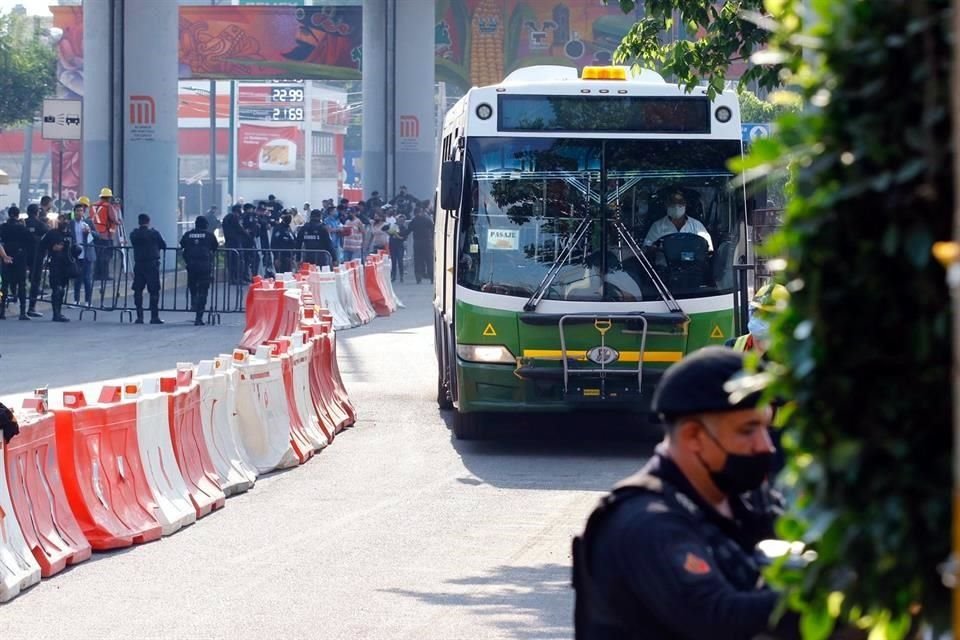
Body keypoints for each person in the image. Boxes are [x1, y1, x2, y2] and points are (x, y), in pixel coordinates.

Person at [573, 347, 803, 639]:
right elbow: (717, 616)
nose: (766, 446)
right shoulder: (646, 522)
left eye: (766, 429)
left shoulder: (742, 499)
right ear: (693, 436)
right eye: (748, 430)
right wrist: (832, 598)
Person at [37, 214, 80, 322]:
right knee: (57, 288)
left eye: (66, 220)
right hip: (55, 263)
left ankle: (59, 313)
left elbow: (74, 249)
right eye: (62, 220)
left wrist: (76, 249)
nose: (64, 222)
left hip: (67, 264)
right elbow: (42, 245)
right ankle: (56, 314)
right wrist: (52, 248)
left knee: (62, 289)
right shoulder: (52, 233)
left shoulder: (69, 234)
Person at [179, 215, 219, 326]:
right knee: (203, 290)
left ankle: (193, 302)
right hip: (204, 266)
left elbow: (181, 245)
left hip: (191, 265)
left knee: (193, 286)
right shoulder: (209, 235)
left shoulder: (188, 234)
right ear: (206, 225)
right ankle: (199, 317)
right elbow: (215, 247)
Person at [643, 190, 713, 251]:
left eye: (680, 202)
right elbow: (646, 247)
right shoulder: (657, 226)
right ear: (666, 204)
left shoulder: (697, 226)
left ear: (685, 204)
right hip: (663, 265)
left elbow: (709, 249)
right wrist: (656, 248)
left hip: (692, 264)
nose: (676, 205)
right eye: (672, 202)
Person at [128, 213, 166, 325]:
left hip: (139, 264)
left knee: (138, 290)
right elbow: (163, 245)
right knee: (154, 290)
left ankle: (139, 317)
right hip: (152, 264)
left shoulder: (134, 234)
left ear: (139, 222)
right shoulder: (154, 233)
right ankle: (154, 317)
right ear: (148, 222)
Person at [0, 206, 32, 320]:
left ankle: (2, 311)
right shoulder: (22, 228)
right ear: (18, 215)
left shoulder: (3, 227)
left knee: (4, 285)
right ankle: (22, 312)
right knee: (21, 284)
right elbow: (30, 240)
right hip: (20, 257)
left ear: (9, 214)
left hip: (6, 256)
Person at [67, 202, 97, 307]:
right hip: (76, 254)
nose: (79, 213)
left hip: (87, 254)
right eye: (77, 211)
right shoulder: (71, 223)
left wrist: (89, 232)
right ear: (74, 212)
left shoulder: (88, 222)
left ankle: (88, 301)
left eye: (81, 211)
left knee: (87, 278)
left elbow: (97, 235)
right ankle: (76, 300)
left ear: (83, 212)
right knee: (77, 278)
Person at [90, 187, 122, 280]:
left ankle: (96, 274)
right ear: (108, 197)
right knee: (106, 256)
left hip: (94, 233)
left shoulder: (93, 205)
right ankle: (104, 275)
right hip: (104, 234)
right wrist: (118, 220)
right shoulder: (108, 206)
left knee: (97, 255)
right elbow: (114, 219)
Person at [23, 203, 48, 317]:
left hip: (22, 255)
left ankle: (21, 307)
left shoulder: (23, 223)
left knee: (20, 280)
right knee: (35, 281)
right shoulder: (41, 225)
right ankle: (31, 307)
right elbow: (48, 235)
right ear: (37, 212)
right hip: (37, 256)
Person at [406, 205, 435, 284]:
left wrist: (399, 235)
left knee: (418, 260)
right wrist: (432, 238)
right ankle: (432, 278)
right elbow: (433, 228)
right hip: (427, 242)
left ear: (415, 213)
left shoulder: (413, 221)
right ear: (421, 212)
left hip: (417, 243)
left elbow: (408, 231)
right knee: (429, 260)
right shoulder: (427, 220)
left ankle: (418, 278)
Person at [222, 204, 248, 284]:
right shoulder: (234, 217)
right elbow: (239, 228)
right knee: (238, 260)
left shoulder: (226, 217)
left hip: (228, 241)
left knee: (231, 261)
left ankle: (232, 278)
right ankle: (237, 279)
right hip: (235, 241)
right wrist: (246, 234)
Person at [240, 203, 260, 277]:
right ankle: (252, 275)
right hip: (248, 240)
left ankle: (248, 275)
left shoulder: (248, 216)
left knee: (249, 258)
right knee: (253, 258)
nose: (253, 210)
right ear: (248, 209)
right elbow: (245, 227)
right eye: (251, 209)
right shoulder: (247, 216)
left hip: (250, 239)